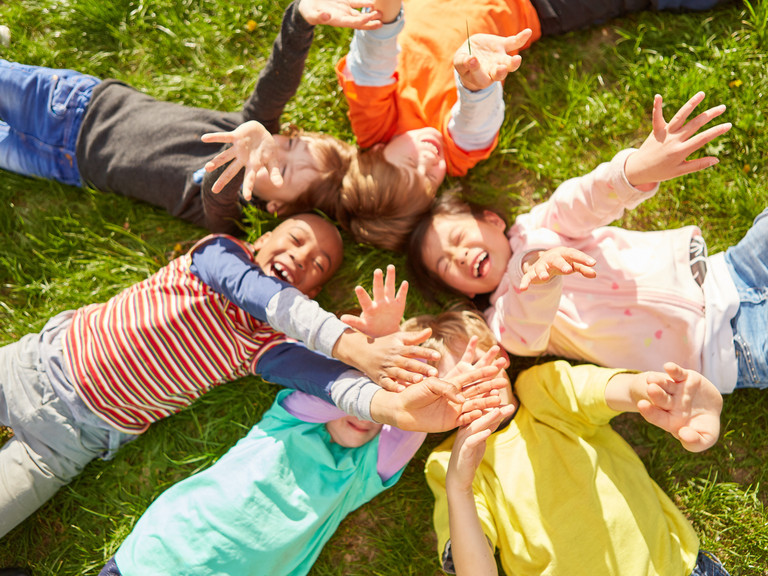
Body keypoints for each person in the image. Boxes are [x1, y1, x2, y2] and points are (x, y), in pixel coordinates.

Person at [0, 213, 453, 539]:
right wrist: (352, 344)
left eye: (316, 266)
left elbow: (328, 381)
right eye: (295, 239)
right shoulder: (217, 256)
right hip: (30, 366)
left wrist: (390, 405)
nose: (300, 257)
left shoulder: (263, 347)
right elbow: (257, 292)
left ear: (312, 293)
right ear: (262, 237)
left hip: (63, 445)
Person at [406, 91, 765, 396]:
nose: (460, 255)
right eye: (445, 265)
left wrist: (635, 170)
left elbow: (581, 201)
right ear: (462, 292)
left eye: (456, 239)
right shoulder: (502, 321)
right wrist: (534, 272)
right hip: (726, 348)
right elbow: (525, 331)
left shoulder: (540, 226)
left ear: (492, 220)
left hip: (729, 268)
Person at [332, 0, 729, 249]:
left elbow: (372, 64)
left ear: (379, 151)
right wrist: (475, 86)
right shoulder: (453, 155)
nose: (430, 162)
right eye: (430, 180)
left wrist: (384, 13)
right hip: (532, 8)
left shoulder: (374, 125)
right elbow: (475, 126)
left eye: (409, 165)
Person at [0, 0, 381, 235]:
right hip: (77, 107)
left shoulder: (226, 216)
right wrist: (300, 18)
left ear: (279, 208)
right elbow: (279, 79)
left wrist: (237, 158)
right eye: (292, 145)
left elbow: (217, 191)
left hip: (64, 165)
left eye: (284, 170)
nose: (273, 152)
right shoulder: (251, 126)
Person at [415, 308, 729, 576]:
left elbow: (609, 390)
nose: (475, 387)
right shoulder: (449, 466)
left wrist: (654, 392)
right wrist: (459, 486)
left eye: (478, 367)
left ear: (502, 356)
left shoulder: (543, 391)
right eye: (455, 386)